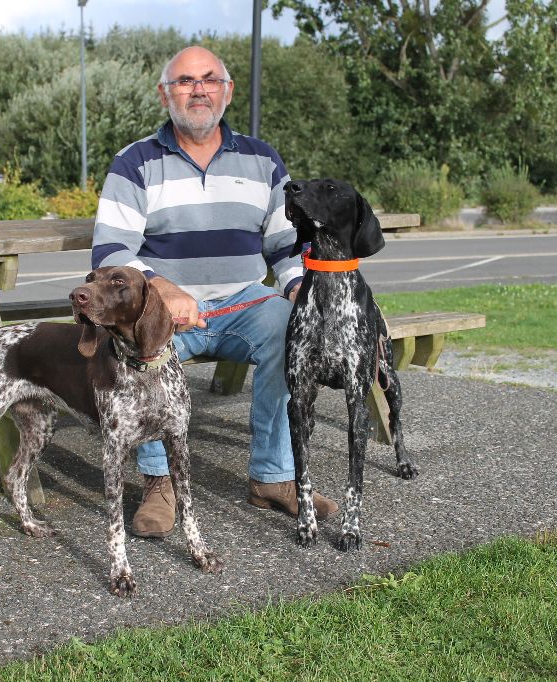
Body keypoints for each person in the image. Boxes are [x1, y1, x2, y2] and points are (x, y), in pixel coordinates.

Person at [91, 45, 338, 537]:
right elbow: (111, 254)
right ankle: (159, 482)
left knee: (293, 332)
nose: (198, 89)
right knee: (140, 348)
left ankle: (274, 477)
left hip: (243, 302)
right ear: (166, 93)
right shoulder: (134, 163)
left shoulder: (263, 160)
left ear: (226, 91)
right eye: (185, 81)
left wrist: (294, 288)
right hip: (163, 312)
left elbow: (285, 244)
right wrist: (161, 289)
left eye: (209, 79)